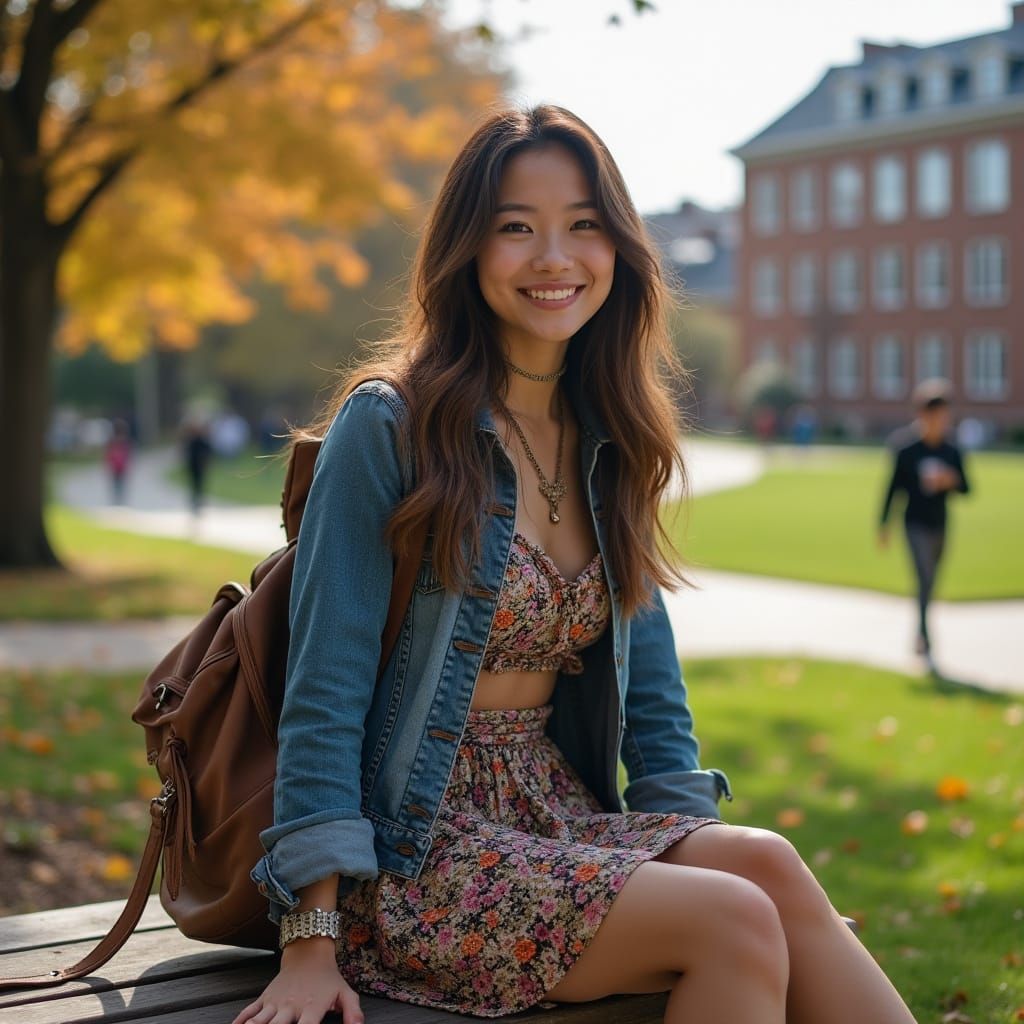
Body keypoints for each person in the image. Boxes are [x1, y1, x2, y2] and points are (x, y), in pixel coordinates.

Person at [235, 106, 918, 1024]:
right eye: (516, 227)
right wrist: (309, 947)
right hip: (412, 847)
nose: (554, 257)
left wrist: (685, 832)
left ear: (619, 247)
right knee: (733, 922)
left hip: (554, 812)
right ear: (467, 250)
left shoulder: (611, 431)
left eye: (583, 224)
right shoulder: (391, 424)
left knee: (764, 867)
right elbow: (325, 686)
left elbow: (653, 694)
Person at [878, 378, 970, 668]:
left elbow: (967, 488)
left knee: (931, 581)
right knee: (924, 577)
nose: (940, 422)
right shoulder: (906, 449)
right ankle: (924, 635)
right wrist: (884, 525)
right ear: (922, 415)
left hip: (940, 523)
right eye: (935, 416)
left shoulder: (951, 449)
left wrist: (950, 480)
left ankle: (921, 628)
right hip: (914, 523)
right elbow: (892, 489)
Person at [181, 418, 214, 514]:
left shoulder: (203, 441)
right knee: (194, 482)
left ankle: (199, 499)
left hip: (201, 466)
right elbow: (186, 453)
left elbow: (208, 452)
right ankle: (195, 499)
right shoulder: (191, 441)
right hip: (193, 465)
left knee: (200, 482)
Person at [104, 418, 133, 504]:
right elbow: (129, 453)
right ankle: (120, 497)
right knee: (121, 482)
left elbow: (108, 453)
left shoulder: (112, 440)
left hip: (114, 466)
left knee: (115, 482)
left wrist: (107, 463)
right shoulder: (125, 440)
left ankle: (116, 498)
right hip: (122, 466)